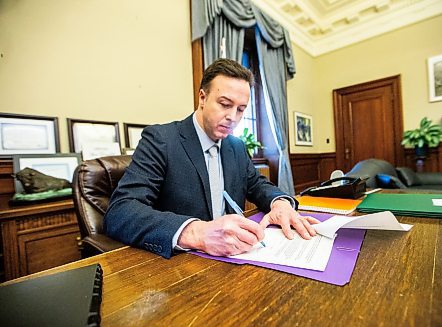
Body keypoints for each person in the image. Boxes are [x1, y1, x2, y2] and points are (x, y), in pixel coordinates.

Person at [104, 58, 319, 259]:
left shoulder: (235, 146)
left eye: (241, 109)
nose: (233, 117)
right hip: (183, 263)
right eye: (225, 104)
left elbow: (257, 184)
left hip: (236, 256)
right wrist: (196, 232)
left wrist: (280, 202)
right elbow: (121, 211)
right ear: (202, 98)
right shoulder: (162, 139)